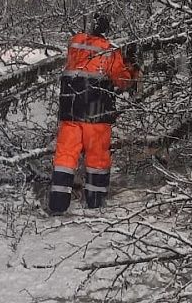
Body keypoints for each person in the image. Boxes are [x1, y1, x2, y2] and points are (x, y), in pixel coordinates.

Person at [46, 14, 140, 215]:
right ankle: (95, 203)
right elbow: (121, 81)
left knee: (65, 158)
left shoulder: (76, 43)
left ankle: (57, 204)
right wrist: (131, 67)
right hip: (97, 113)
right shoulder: (109, 50)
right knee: (97, 159)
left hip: (70, 111)